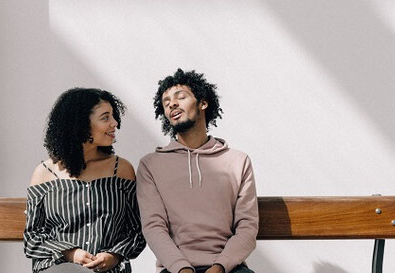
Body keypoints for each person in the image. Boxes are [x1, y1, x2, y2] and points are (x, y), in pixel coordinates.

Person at [136, 69, 258, 273]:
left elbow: (247, 227)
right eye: (166, 103)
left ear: (203, 103)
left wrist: (220, 267)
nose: (172, 104)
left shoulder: (238, 161)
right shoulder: (151, 165)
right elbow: (154, 228)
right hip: (175, 269)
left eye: (180, 97)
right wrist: (182, 269)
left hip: (227, 268)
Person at [24, 88, 146, 273]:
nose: (115, 123)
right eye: (105, 117)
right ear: (80, 124)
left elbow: (137, 231)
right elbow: (32, 238)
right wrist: (70, 253)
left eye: (113, 116)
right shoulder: (44, 173)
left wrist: (114, 255)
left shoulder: (121, 170)